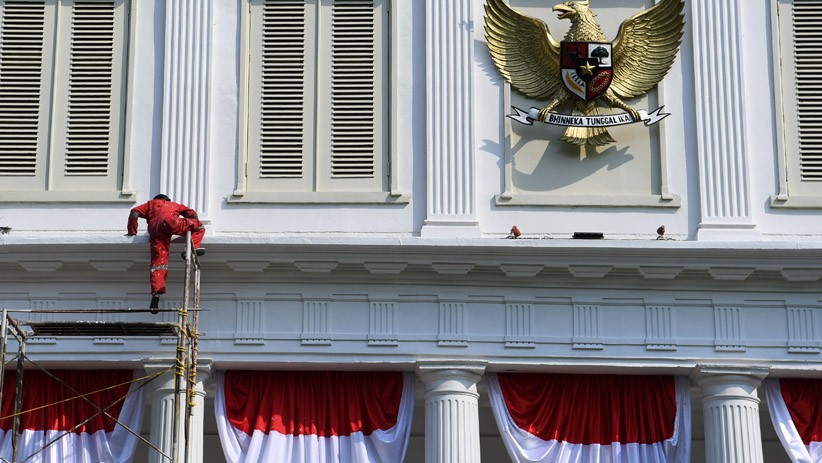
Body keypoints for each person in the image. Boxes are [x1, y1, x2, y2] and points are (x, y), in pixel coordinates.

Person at [126, 194, 205, 311]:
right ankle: (189, 249)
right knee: (199, 227)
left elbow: (134, 212)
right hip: (170, 222)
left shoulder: (150, 204)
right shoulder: (173, 205)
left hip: (154, 228)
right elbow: (191, 213)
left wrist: (132, 232)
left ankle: (156, 293)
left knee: (158, 263)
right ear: (167, 200)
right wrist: (192, 220)